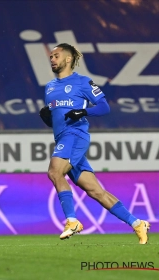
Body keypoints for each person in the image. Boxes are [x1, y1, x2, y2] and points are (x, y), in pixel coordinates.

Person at [39, 43, 150, 244]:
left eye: (56, 56)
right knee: (95, 191)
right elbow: (56, 118)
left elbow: (104, 107)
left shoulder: (83, 82)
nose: (52, 59)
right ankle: (137, 223)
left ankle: (72, 221)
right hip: (63, 137)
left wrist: (83, 111)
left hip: (75, 135)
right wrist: (47, 117)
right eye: (51, 56)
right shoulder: (50, 87)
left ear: (68, 59)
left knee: (55, 172)